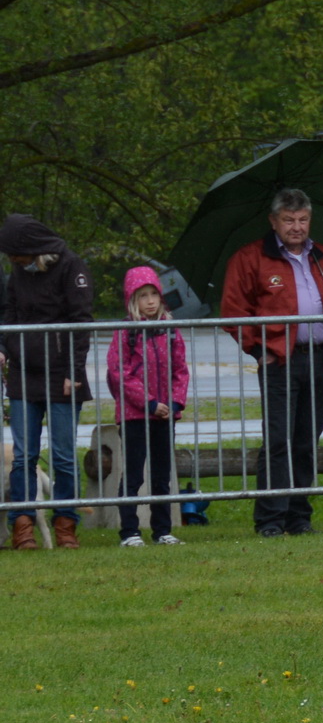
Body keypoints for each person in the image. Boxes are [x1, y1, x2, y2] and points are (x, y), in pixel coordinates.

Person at [221, 188, 323, 537]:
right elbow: (233, 312)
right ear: (274, 221)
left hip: (318, 360)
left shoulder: (322, 257)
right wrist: (257, 350)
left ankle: (298, 516)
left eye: (303, 219)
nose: (297, 227)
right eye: (289, 220)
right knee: (278, 441)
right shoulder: (250, 258)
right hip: (279, 361)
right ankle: (270, 519)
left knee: (307, 441)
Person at [0, 213, 93, 551]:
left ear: (32, 247)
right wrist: (3, 347)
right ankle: (22, 525)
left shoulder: (72, 267)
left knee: (63, 455)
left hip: (62, 375)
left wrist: (74, 371)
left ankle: (66, 524)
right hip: (24, 373)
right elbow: (10, 313)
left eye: (16, 254)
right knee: (23, 456)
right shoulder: (18, 272)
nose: (14, 260)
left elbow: (81, 322)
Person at [106, 267, 189, 547]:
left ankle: (162, 529)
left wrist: (175, 402)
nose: (150, 301)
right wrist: (149, 403)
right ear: (132, 300)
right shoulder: (125, 331)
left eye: (154, 294)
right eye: (143, 296)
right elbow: (120, 372)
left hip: (165, 414)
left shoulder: (170, 330)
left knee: (162, 474)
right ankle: (129, 531)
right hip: (135, 415)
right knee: (133, 474)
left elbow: (181, 369)